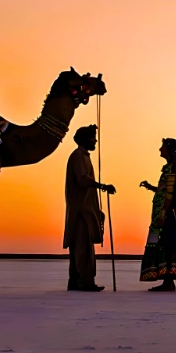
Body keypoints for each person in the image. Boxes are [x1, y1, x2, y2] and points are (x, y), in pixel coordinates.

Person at [139, 138, 176, 291]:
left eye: (162, 147)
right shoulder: (168, 169)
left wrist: (163, 214)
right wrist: (151, 188)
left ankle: (168, 280)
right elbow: (164, 190)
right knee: (161, 244)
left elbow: (169, 194)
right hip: (161, 214)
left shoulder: (171, 169)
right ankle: (166, 280)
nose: (159, 150)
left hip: (166, 217)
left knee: (167, 245)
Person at [64, 125, 115, 291]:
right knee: (82, 248)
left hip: (86, 209)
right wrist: (101, 186)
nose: (95, 141)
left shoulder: (84, 156)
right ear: (86, 139)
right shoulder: (78, 156)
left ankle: (77, 281)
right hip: (80, 211)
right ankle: (84, 281)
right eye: (93, 138)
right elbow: (82, 179)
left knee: (82, 247)